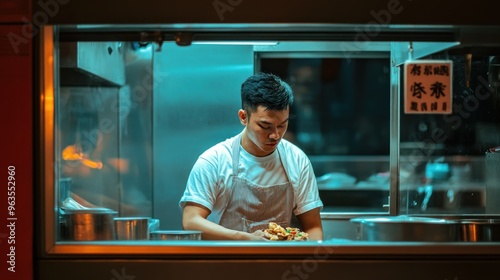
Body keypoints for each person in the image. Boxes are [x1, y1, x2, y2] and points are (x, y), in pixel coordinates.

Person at [179, 72, 324, 241]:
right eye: (265, 126)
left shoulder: (297, 160)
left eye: (282, 125)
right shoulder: (214, 161)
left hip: (282, 263)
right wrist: (245, 238)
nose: (275, 135)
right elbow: (190, 221)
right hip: (225, 261)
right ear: (243, 117)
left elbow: (313, 227)